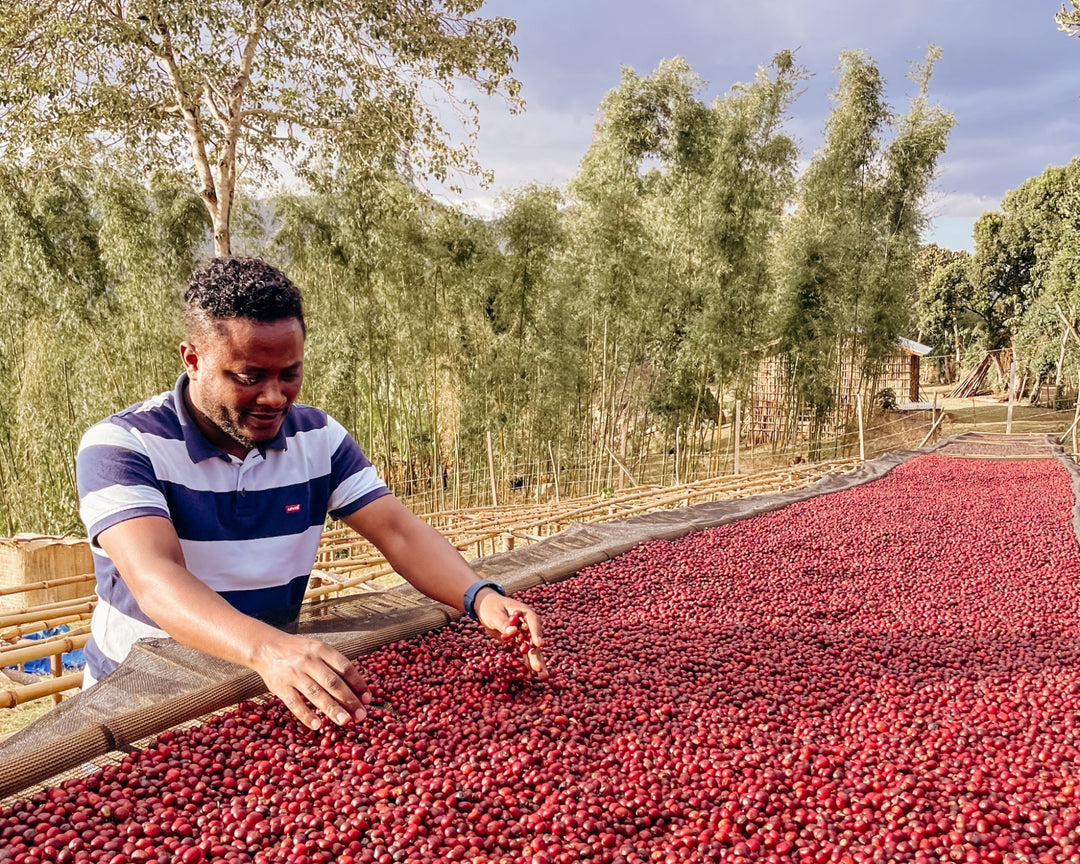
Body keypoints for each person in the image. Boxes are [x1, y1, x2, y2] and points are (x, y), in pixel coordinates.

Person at [76, 257, 547, 730]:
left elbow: (398, 531)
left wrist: (479, 597)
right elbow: (156, 578)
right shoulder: (122, 445)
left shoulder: (318, 438)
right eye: (249, 377)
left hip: (267, 691)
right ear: (193, 360)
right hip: (137, 706)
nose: (275, 396)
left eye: (289, 374)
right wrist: (267, 648)